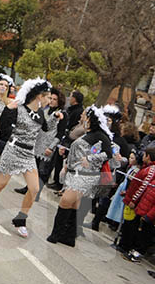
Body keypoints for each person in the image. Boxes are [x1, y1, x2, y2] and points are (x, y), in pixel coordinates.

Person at [0, 78, 55, 238]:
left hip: (28, 154)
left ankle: (20, 219)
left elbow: (45, 128)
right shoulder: (18, 108)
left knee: (34, 189)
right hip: (13, 150)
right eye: (48, 97)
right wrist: (7, 110)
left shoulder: (40, 113)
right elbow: (4, 130)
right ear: (40, 96)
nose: (50, 100)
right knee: (1, 184)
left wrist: (57, 118)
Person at [45, 105, 119, 247]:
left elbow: (108, 154)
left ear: (90, 118)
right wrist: (66, 163)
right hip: (75, 173)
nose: (81, 116)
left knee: (65, 201)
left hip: (86, 176)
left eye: (84, 114)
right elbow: (79, 152)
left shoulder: (100, 135)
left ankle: (56, 234)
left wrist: (90, 159)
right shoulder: (87, 132)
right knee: (73, 204)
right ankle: (69, 236)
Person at [117, 147, 155, 261]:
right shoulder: (150, 173)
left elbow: (142, 187)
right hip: (142, 205)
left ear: (148, 156)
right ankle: (125, 245)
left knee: (136, 228)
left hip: (145, 209)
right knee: (130, 224)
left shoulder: (150, 171)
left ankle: (130, 248)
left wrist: (134, 200)